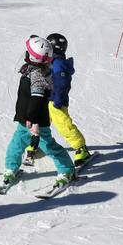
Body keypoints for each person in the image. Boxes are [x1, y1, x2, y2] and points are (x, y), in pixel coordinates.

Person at [2, 36, 76, 187]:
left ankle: (67, 170)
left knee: (49, 147)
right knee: (15, 145)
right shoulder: (32, 69)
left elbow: (36, 100)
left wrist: (33, 122)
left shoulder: (38, 76)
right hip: (25, 119)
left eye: (28, 51)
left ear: (32, 57)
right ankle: (11, 168)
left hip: (36, 121)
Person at [24, 33, 90, 167]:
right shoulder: (50, 60)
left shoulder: (58, 64)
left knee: (64, 125)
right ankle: (38, 144)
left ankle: (81, 148)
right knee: (41, 123)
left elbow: (62, 84)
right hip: (46, 99)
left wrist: (58, 101)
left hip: (56, 102)